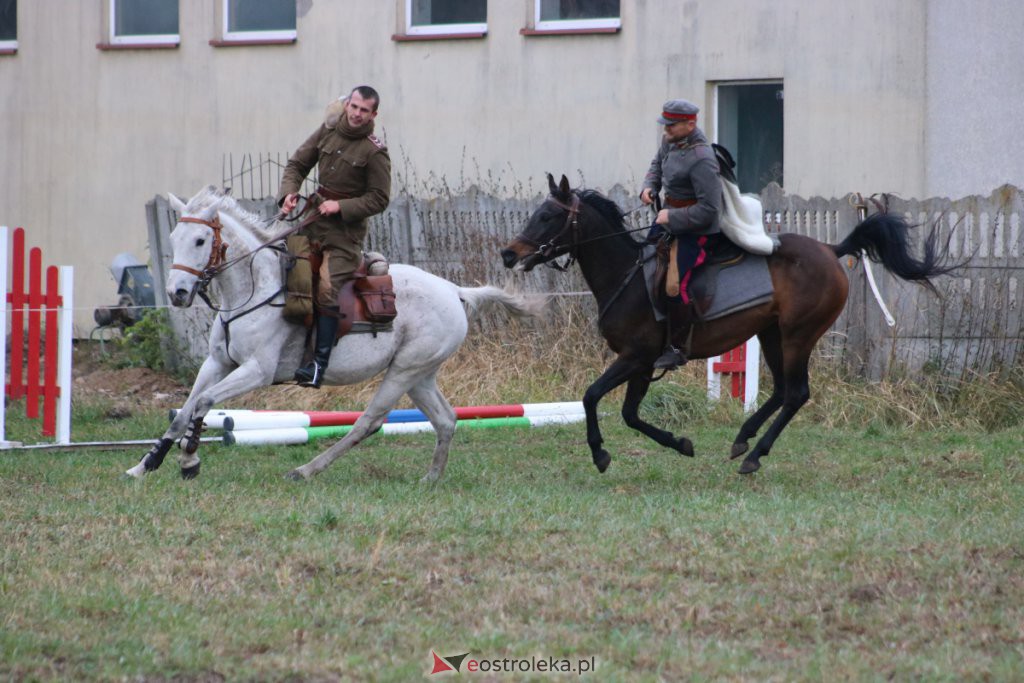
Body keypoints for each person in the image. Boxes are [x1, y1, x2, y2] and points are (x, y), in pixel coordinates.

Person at [277, 85, 392, 388]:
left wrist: (340, 206)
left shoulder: (375, 151)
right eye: (353, 107)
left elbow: (379, 199)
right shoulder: (328, 130)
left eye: (364, 110)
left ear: (373, 114)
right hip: (310, 223)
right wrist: (288, 194)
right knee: (283, 267)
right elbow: (297, 164)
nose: (356, 114)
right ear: (347, 106)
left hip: (344, 238)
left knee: (327, 288)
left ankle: (317, 365)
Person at [640, 99, 723, 370]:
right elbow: (656, 165)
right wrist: (649, 187)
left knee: (676, 285)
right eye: (665, 124)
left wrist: (672, 217)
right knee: (642, 265)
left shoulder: (702, 159)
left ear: (691, 124)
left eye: (671, 125)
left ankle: (677, 348)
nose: (665, 130)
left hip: (697, 231)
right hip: (667, 218)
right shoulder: (671, 141)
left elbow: (710, 210)